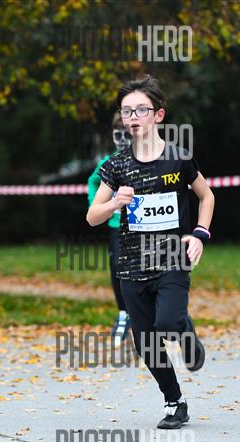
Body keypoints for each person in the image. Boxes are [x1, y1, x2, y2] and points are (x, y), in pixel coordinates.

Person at [86, 75, 215, 429]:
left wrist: (199, 234)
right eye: (127, 111)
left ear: (158, 115)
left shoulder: (178, 159)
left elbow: (206, 196)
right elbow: (92, 216)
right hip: (131, 266)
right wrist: (115, 202)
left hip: (172, 258)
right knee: (147, 343)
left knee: (168, 323)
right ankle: (175, 402)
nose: (133, 117)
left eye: (141, 110)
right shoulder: (116, 166)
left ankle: (185, 331)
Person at [86, 113, 132, 346]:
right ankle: (123, 313)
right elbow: (93, 182)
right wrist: (98, 206)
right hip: (117, 223)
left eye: (127, 135)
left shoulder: (149, 160)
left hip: (147, 226)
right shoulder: (109, 162)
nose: (122, 140)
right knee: (116, 265)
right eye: (117, 135)